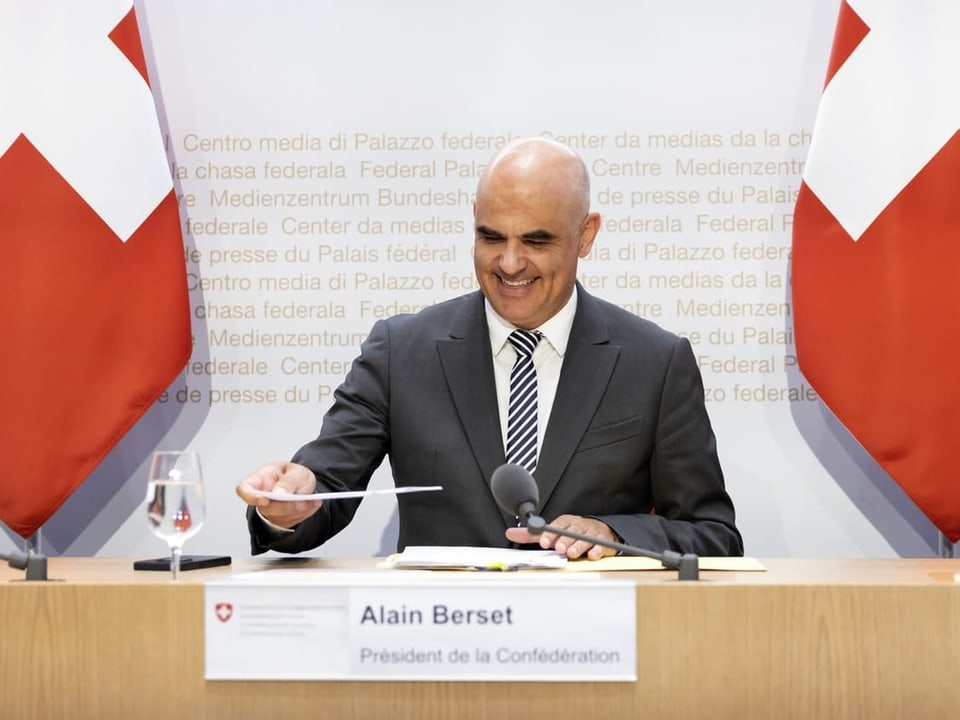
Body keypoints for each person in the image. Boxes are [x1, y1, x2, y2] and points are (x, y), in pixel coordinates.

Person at [236, 137, 743, 559]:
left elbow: (714, 535)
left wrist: (616, 534)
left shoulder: (654, 362)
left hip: (593, 655)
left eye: (537, 241)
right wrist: (287, 503)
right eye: (490, 236)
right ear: (473, 218)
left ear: (586, 234)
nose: (510, 262)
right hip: (435, 650)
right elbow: (322, 488)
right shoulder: (400, 351)